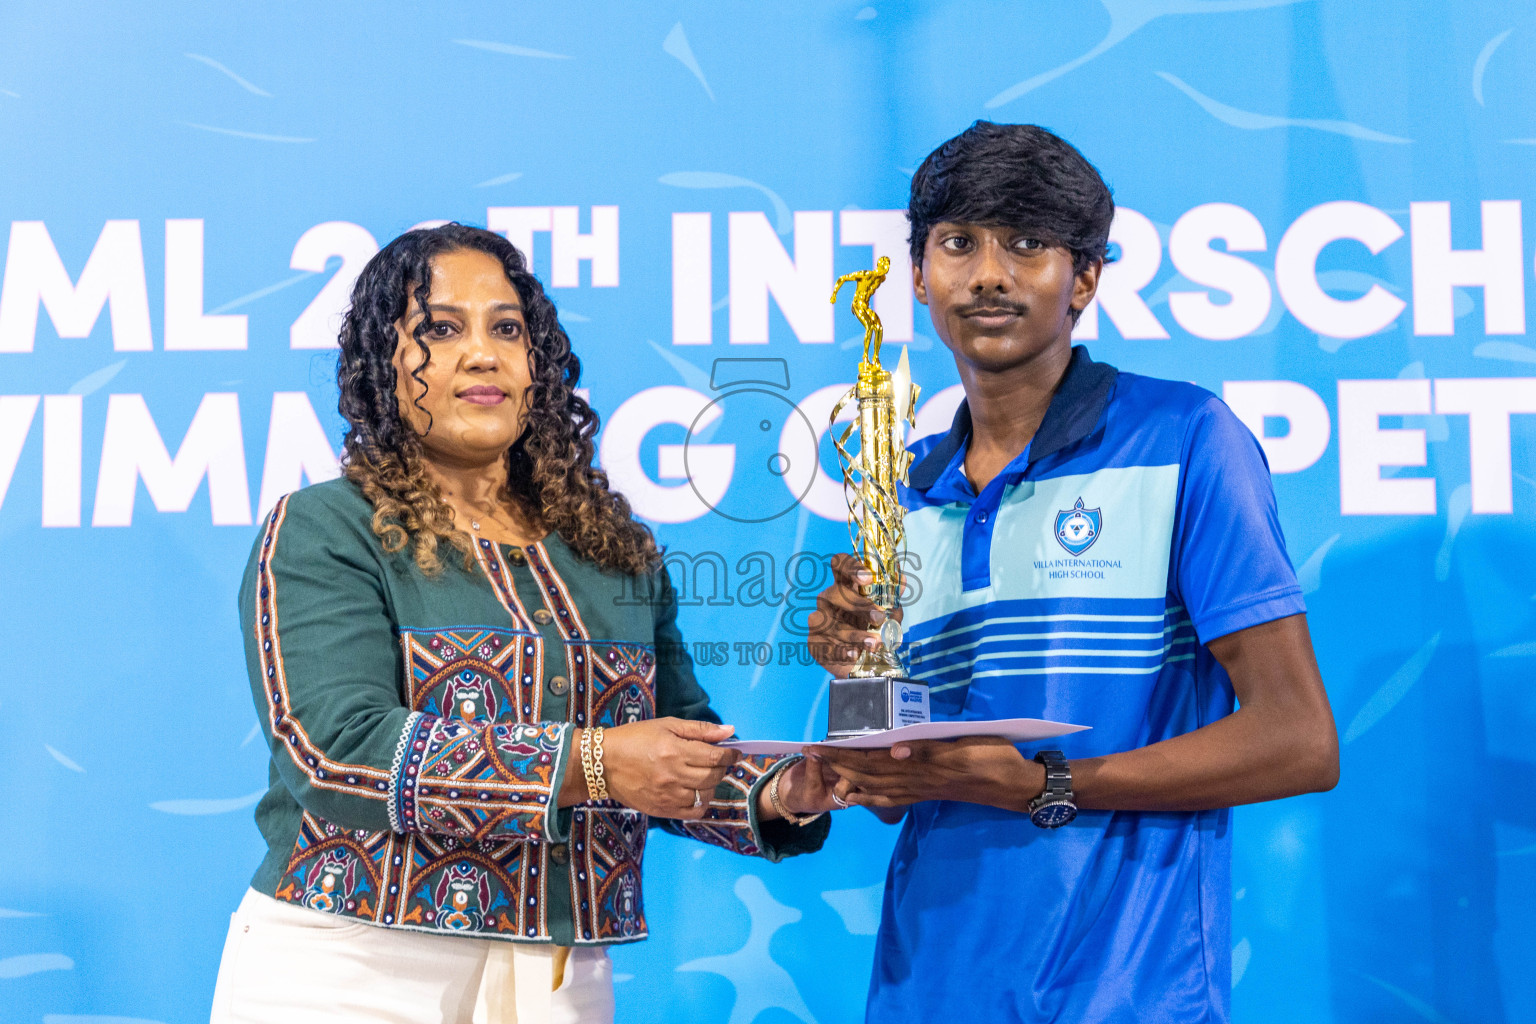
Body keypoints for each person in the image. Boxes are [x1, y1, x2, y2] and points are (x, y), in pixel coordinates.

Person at [211, 223, 838, 1024]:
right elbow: (333, 753)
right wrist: (596, 762)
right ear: (382, 364)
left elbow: (674, 747)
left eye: (506, 328)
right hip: (351, 964)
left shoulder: (612, 549)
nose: (482, 353)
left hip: (563, 977)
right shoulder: (325, 528)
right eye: (440, 329)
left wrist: (782, 791)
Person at [808, 122, 1339, 1023]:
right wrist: (853, 679)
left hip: (1126, 995)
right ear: (921, 274)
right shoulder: (905, 496)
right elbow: (891, 796)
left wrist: (1051, 784)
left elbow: (1299, 739)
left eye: (1026, 243)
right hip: (926, 991)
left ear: (1084, 278)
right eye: (957, 243)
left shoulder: (1185, 440)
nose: (988, 274)